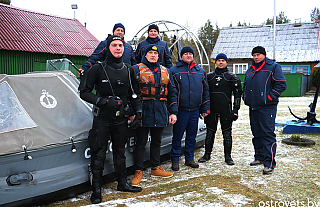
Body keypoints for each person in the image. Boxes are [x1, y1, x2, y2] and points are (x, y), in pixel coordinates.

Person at [79, 35, 142, 204]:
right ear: (108, 48)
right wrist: (104, 101)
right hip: (102, 118)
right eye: (114, 45)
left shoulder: (129, 70)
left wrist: (138, 113)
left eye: (120, 45)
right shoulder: (97, 69)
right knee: (98, 153)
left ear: (124, 48)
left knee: (120, 152)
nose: (118, 48)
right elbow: (83, 92)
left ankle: (122, 184)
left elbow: (136, 94)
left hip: (121, 118)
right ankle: (97, 190)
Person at [130, 44, 178, 187]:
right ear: (145, 55)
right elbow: (129, 92)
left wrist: (173, 111)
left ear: (159, 56)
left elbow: (173, 93)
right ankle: (138, 171)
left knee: (157, 141)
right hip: (142, 110)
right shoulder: (136, 69)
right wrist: (132, 112)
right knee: (141, 143)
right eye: (150, 53)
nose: (153, 55)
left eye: (155, 53)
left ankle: (155, 168)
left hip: (161, 110)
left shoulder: (165, 71)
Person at [243, 46, 286, 175]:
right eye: (254, 55)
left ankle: (269, 163)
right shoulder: (250, 70)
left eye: (258, 55)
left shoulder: (273, 67)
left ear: (264, 55)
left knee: (267, 134)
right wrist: (246, 97)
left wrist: (269, 97)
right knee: (256, 134)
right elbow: (246, 85)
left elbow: (281, 84)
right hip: (254, 107)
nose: (256, 57)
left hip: (267, 107)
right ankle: (259, 157)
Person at [170, 46, 210, 171]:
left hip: (195, 111)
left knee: (192, 137)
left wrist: (205, 108)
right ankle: (175, 160)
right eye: (186, 53)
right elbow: (171, 92)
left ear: (193, 56)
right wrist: (173, 110)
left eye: (190, 54)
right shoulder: (174, 71)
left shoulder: (200, 72)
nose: (188, 55)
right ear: (181, 56)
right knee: (177, 137)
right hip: (181, 111)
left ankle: (189, 158)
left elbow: (206, 91)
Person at [198, 53, 242, 165]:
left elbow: (238, 94)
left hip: (225, 109)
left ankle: (228, 156)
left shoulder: (232, 77)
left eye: (223, 60)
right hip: (211, 109)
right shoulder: (209, 77)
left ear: (226, 62)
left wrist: (235, 110)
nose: (221, 62)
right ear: (215, 62)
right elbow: (202, 93)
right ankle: (207, 154)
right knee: (210, 132)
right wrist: (202, 108)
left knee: (227, 133)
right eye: (218, 60)